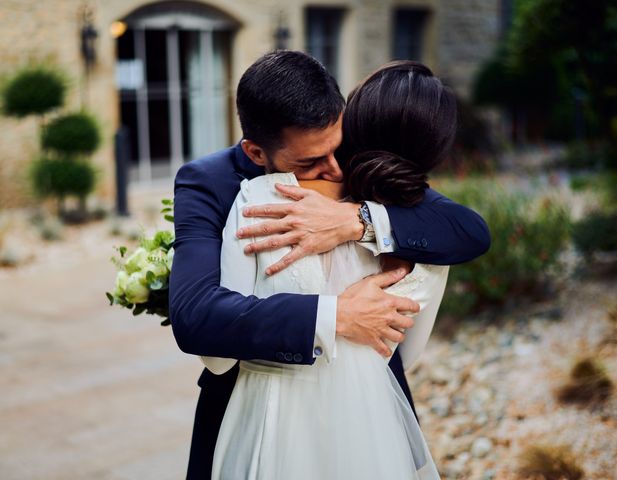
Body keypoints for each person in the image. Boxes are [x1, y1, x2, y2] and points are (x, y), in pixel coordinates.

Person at [169, 51, 490, 479]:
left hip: (365, 413)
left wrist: (357, 221)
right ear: (255, 151)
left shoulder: (349, 147)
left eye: (337, 148)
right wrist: (335, 315)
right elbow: (195, 316)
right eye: (309, 163)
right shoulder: (208, 182)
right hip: (252, 417)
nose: (336, 168)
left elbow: (466, 230)